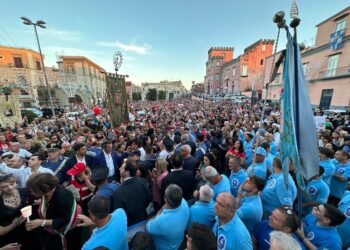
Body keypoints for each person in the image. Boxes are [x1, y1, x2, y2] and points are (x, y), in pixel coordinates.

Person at [25, 173, 81, 250]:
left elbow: (64, 220)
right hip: (51, 231)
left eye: (34, 191)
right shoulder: (49, 192)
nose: (32, 193)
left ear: (45, 189)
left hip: (65, 232)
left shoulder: (62, 197)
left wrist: (42, 222)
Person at [0, 174, 39, 250]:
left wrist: (39, 202)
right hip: (11, 239)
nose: (10, 188)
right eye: (4, 187)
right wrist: (15, 224)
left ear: (16, 182)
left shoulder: (27, 191)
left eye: (12, 184)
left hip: (33, 233)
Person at [146, 184, 189, 250]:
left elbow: (148, 227)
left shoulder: (160, 221)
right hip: (180, 241)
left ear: (165, 199)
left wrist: (158, 213)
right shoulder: (184, 202)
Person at [111, 159, 152, 226]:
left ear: (127, 172)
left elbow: (119, 214)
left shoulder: (118, 193)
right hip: (144, 219)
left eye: (122, 168)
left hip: (130, 224)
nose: (119, 169)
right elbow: (149, 199)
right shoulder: (143, 182)